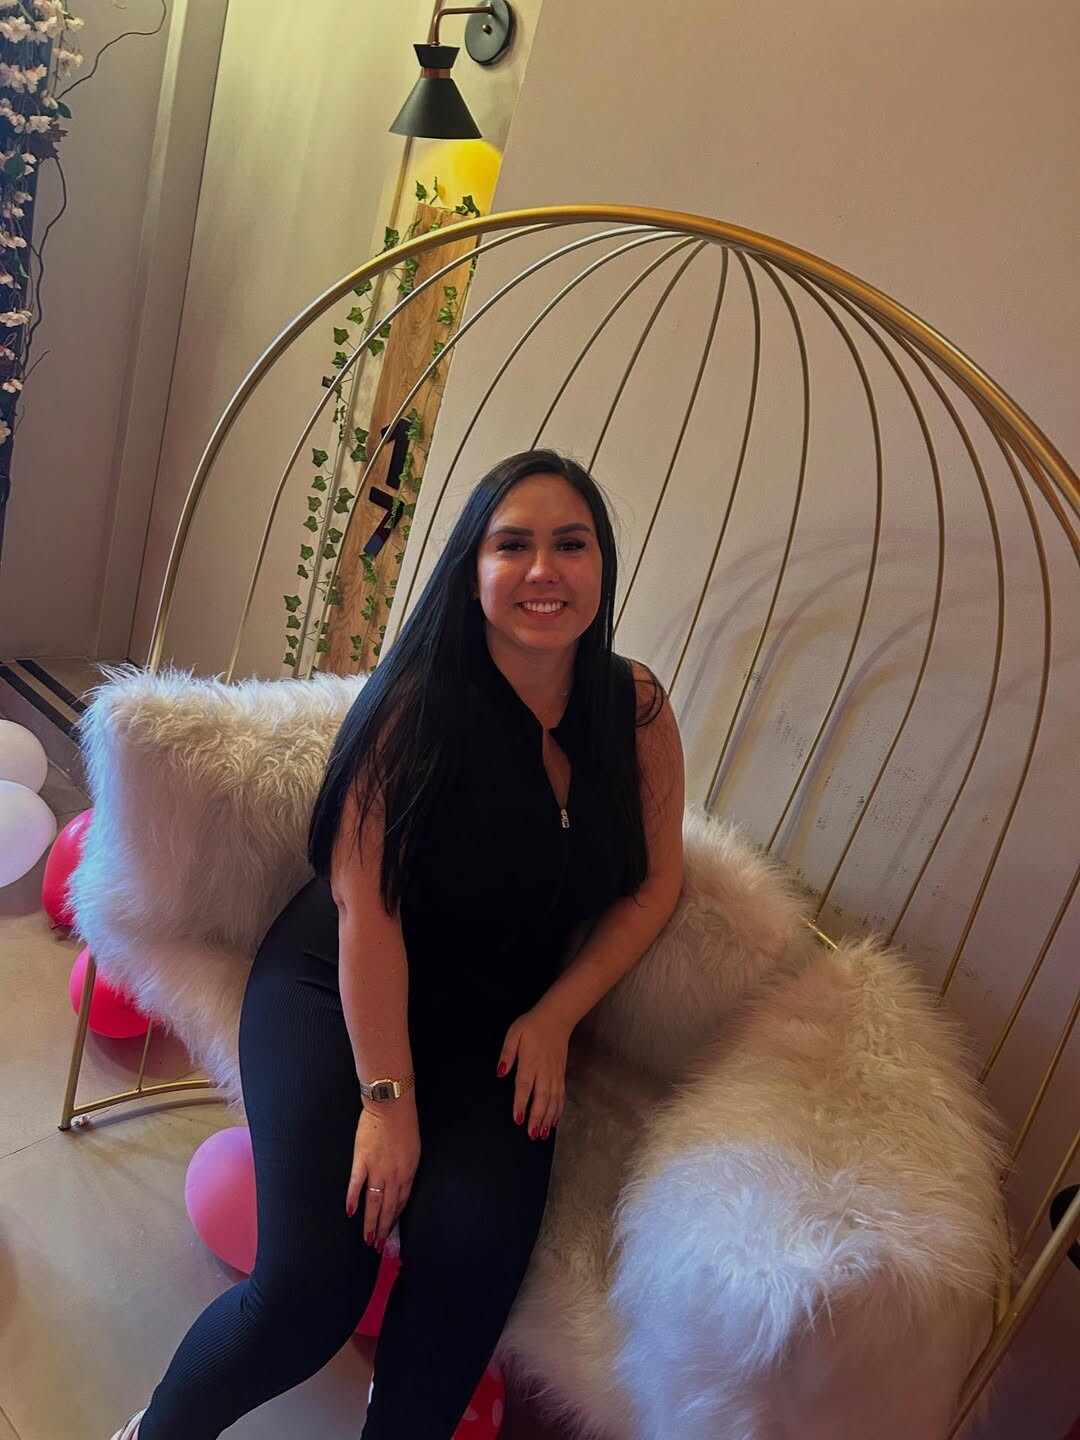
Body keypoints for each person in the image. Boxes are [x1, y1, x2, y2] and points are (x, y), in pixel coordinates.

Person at [113, 449, 685, 1440]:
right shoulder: (415, 709)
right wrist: (388, 1103)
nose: (543, 569)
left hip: (495, 1025)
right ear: (472, 568)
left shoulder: (633, 709)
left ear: (603, 564)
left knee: (473, 1261)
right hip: (337, 990)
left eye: (571, 544)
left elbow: (654, 885)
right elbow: (364, 913)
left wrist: (556, 1017)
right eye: (512, 545)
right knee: (311, 1291)